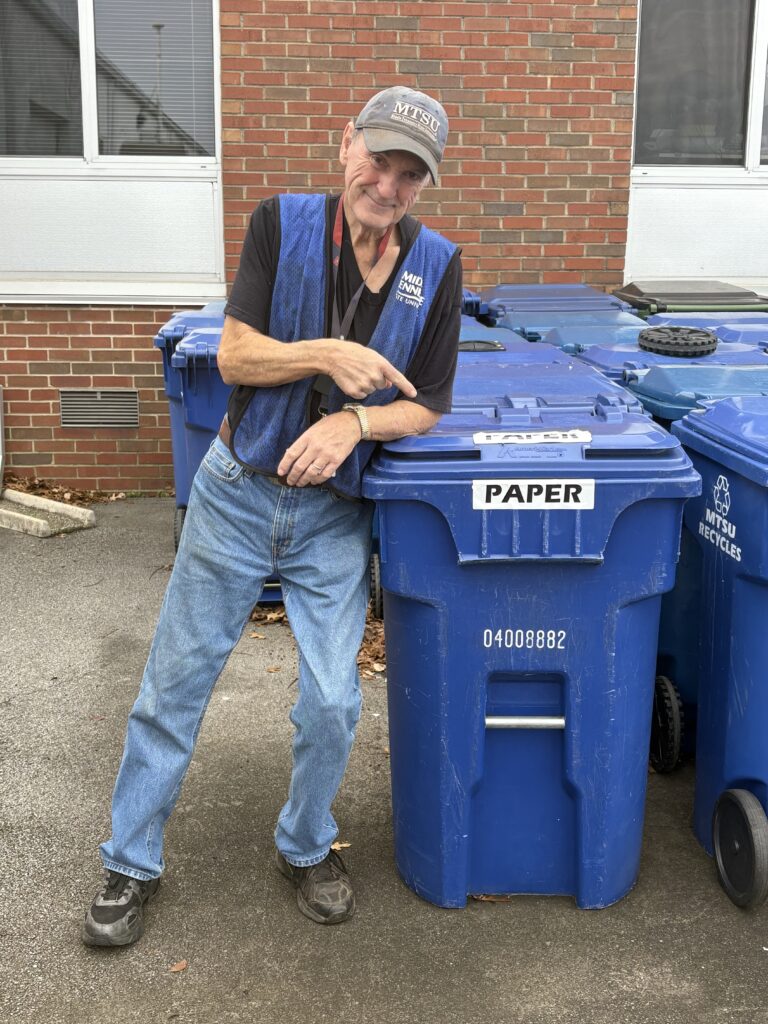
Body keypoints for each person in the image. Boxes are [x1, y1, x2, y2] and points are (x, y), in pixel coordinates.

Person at [82, 85, 462, 946]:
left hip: (333, 515)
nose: (389, 184)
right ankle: (129, 859)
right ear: (345, 146)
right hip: (236, 494)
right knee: (174, 687)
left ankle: (304, 843)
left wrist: (354, 420)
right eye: (379, 159)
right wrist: (328, 356)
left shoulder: (436, 266)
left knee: (334, 700)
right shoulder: (280, 224)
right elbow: (235, 353)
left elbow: (429, 403)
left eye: (411, 174)